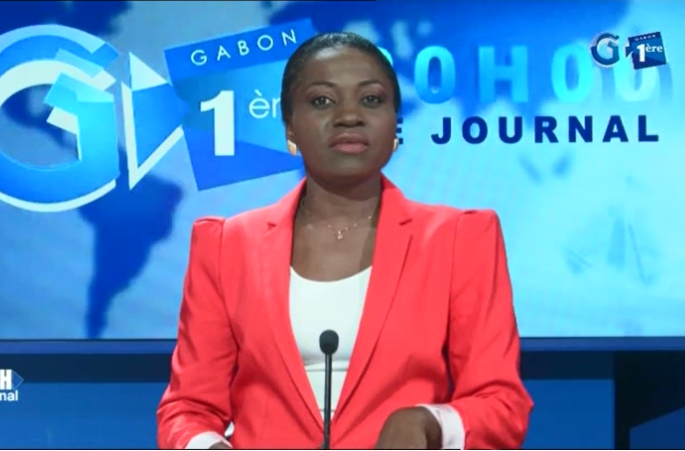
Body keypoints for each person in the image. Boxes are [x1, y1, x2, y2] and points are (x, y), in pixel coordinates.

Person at [157, 32, 533, 450]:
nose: (349, 116)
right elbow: (187, 409)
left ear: (395, 123)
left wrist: (431, 423)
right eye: (322, 101)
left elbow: (502, 404)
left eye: (371, 99)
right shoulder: (226, 245)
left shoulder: (459, 239)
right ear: (290, 127)